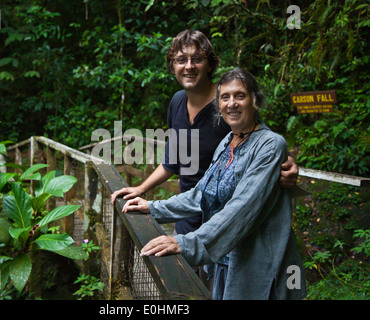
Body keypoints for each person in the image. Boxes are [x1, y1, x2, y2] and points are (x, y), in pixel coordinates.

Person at [121, 68, 306, 300]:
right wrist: (153, 207)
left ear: (255, 100)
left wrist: (187, 243)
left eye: (240, 96)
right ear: (218, 105)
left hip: (256, 263)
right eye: (225, 97)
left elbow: (242, 208)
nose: (232, 104)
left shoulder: (270, 145)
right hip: (224, 261)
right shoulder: (227, 142)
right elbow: (200, 194)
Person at [111, 30, 298, 237]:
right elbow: (172, 161)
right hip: (185, 213)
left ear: (209, 64)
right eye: (181, 60)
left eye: (197, 59)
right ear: (172, 67)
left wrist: (288, 163)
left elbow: (260, 140)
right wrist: (141, 188)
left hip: (223, 222)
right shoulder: (177, 102)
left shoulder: (228, 102)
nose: (189, 66)